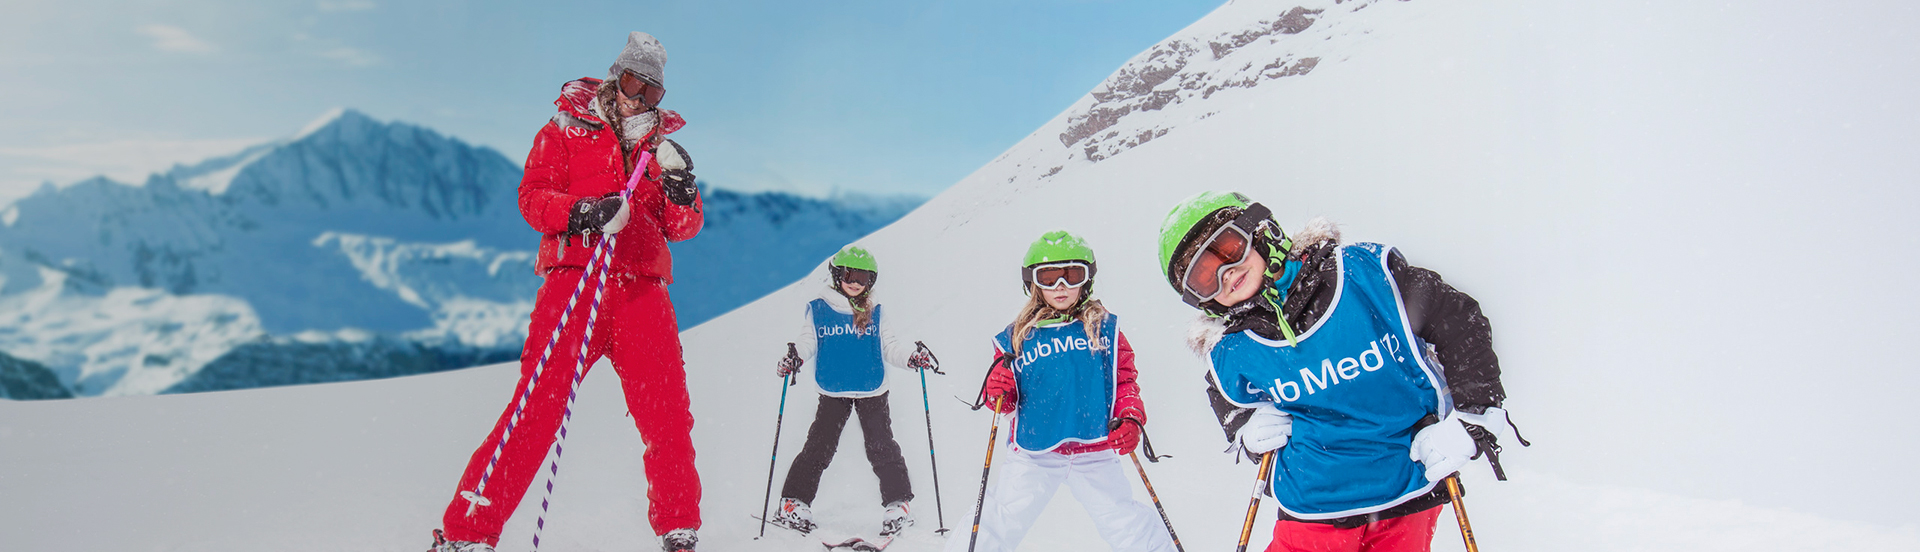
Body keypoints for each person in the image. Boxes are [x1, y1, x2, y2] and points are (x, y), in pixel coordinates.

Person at [430, 31, 707, 552]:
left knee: (667, 414)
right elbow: (532, 198)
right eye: (634, 84)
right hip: (575, 282)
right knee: (537, 408)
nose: (640, 99)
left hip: (642, 290)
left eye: (652, 92)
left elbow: (683, 226)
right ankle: (468, 532)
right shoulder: (564, 129)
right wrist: (584, 213)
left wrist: (682, 193)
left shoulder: (661, 150)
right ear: (615, 78)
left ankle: (678, 527)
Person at [1155, 191, 1520, 552]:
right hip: (1312, 503)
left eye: (1227, 250)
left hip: (1404, 484)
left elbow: (1457, 321)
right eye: (1204, 278)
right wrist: (1244, 428)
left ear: (1261, 231)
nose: (1225, 273)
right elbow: (1224, 392)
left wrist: (1474, 416)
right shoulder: (1235, 348)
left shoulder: (1364, 277)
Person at [947, 231, 1176, 552]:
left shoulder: (1104, 329)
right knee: (1002, 515)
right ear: (1033, 283)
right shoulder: (1017, 337)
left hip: (1093, 445)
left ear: (1087, 280)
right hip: (1035, 450)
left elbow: (1124, 382)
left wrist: (1130, 417)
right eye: (1049, 277)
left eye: (1072, 275)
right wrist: (997, 390)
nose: (1060, 286)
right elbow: (1005, 402)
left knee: (1121, 518)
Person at [769, 245, 939, 537]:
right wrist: (795, 357)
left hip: (871, 389)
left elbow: (891, 347)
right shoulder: (820, 308)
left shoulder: (875, 310)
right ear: (837, 275)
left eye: (864, 278)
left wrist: (911, 358)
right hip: (834, 390)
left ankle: (898, 504)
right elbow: (808, 341)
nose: (856, 283)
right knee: (819, 445)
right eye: (850, 275)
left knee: (881, 446)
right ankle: (793, 502)